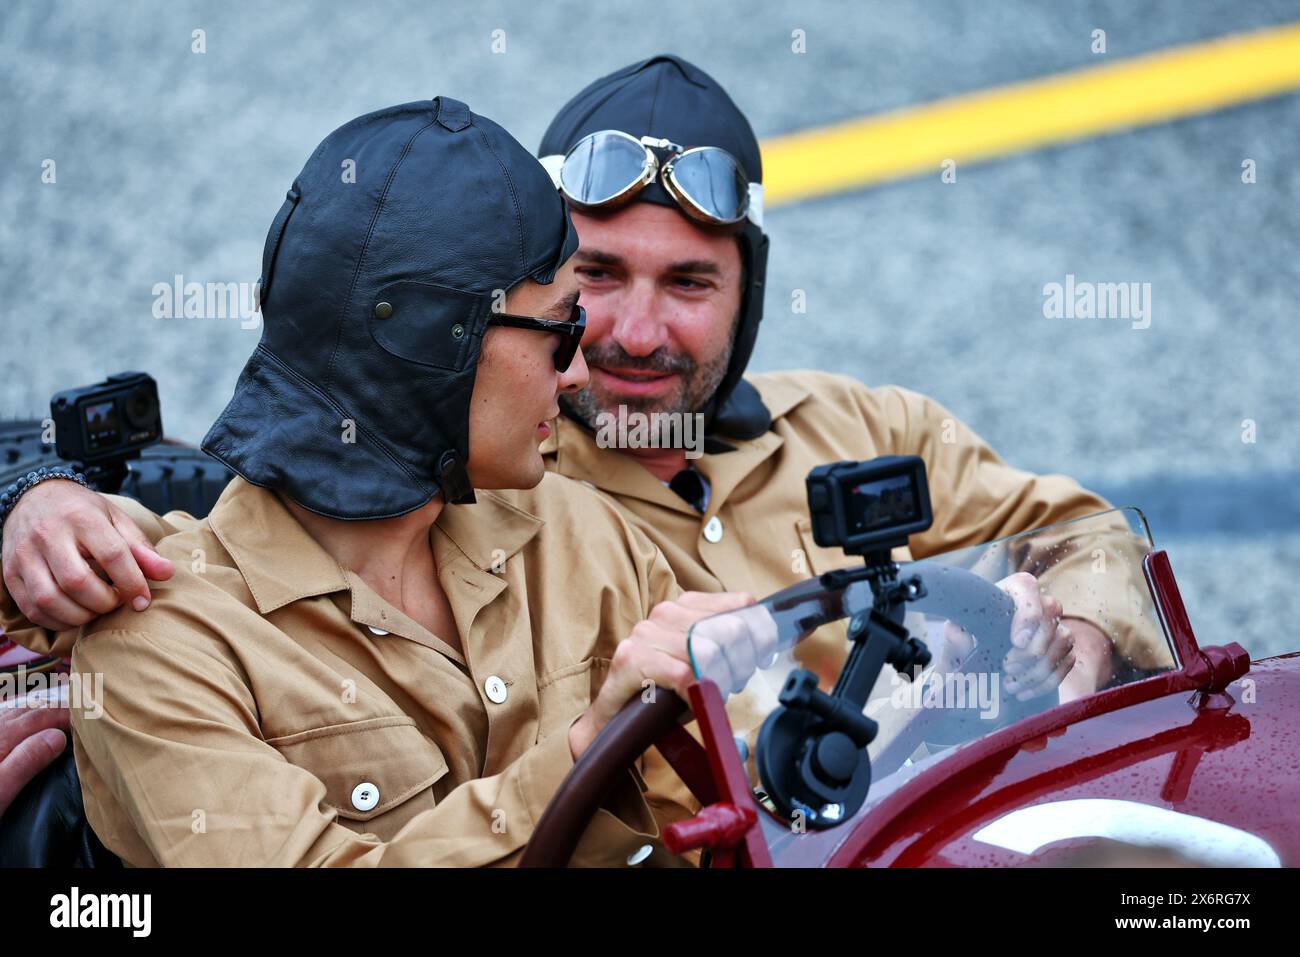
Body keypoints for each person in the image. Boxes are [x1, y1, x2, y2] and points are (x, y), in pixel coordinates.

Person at [2, 59, 1160, 831]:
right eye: (589, 285)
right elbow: (219, 510)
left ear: (748, 294)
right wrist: (28, 489)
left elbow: (1079, 531)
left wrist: (1071, 630)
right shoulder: (468, 468)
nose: (623, 338)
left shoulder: (862, 431)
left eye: (691, 284)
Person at [0, 96, 780, 866]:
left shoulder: (582, 531)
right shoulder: (160, 646)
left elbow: (725, 824)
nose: (579, 371)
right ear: (433, 347)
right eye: (561, 328)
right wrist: (585, 747)